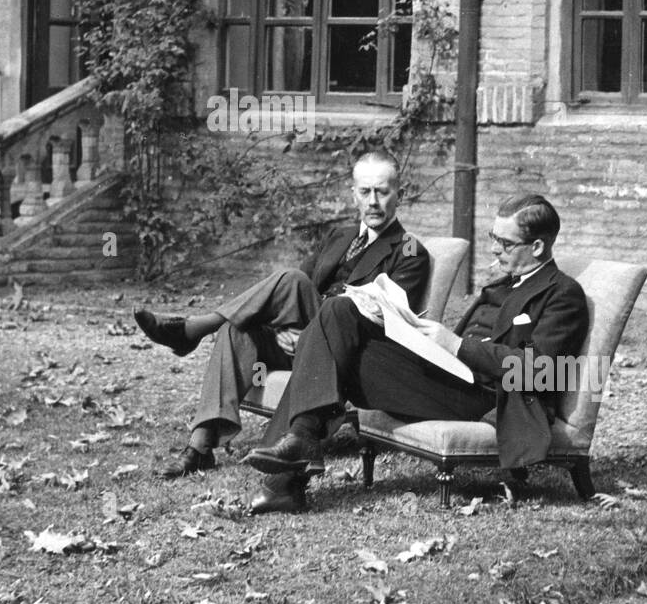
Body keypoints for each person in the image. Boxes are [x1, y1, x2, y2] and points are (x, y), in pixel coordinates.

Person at [242, 193, 589, 514]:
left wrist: (455, 345)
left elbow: (541, 371)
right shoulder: (502, 284)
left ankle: (287, 474)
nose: (495, 250)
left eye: (506, 243)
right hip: (451, 379)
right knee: (338, 311)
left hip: (488, 399)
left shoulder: (562, 294)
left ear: (539, 246)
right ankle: (299, 444)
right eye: (493, 238)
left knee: (333, 347)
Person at [135, 149, 431, 479]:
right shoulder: (340, 237)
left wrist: (313, 332)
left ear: (399, 195)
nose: (373, 201)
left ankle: (194, 329)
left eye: (382, 191)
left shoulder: (409, 250)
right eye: (365, 191)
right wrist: (286, 329)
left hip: (348, 353)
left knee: (292, 279)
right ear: (353, 194)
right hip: (303, 342)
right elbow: (288, 296)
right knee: (238, 330)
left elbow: (387, 323)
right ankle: (200, 447)